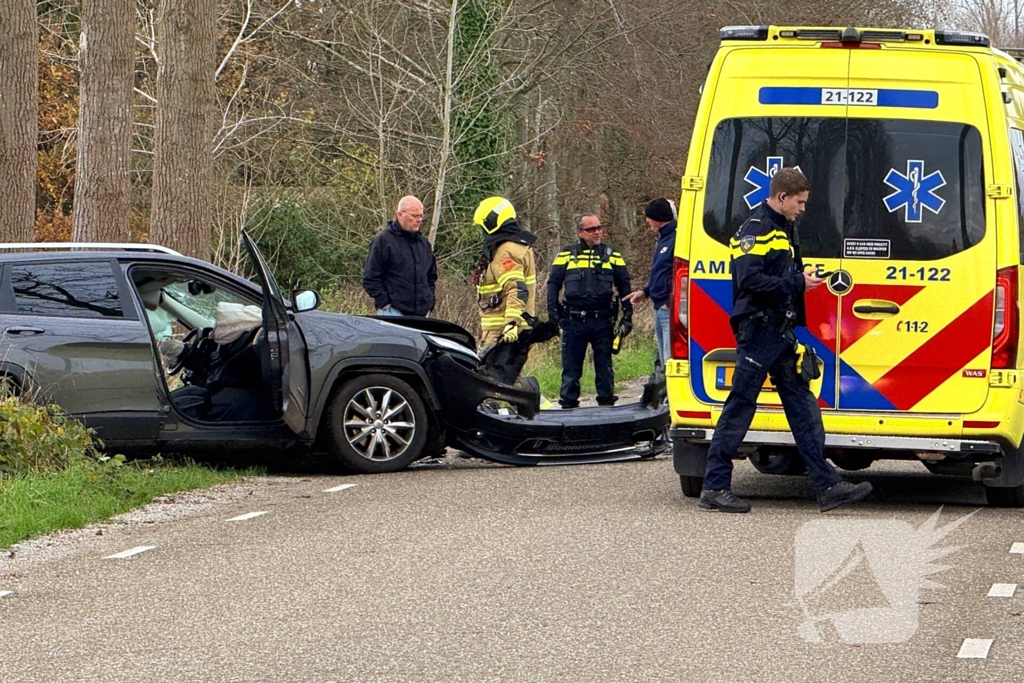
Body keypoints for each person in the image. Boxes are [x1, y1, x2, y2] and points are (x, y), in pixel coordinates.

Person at [697, 168, 872, 513]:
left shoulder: (782, 229)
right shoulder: (756, 229)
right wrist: (797, 283)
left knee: (802, 407)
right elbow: (749, 281)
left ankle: (828, 486)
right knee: (740, 407)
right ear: (781, 198)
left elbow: (776, 276)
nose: (803, 208)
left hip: (779, 331)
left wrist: (798, 281)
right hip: (760, 331)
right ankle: (714, 487)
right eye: (800, 202)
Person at [547, 213, 632, 408]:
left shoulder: (613, 254)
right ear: (579, 232)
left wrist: (627, 316)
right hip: (574, 319)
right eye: (591, 229)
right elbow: (553, 284)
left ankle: (607, 406)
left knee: (604, 367)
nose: (597, 232)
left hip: (602, 320)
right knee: (570, 368)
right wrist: (553, 314)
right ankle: (568, 408)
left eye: (599, 228)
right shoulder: (566, 254)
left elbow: (624, 287)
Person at [472, 196, 537, 350]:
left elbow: (515, 288)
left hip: (501, 332)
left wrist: (511, 323)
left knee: (488, 374)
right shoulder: (516, 245)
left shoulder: (506, 251)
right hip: (506, 330)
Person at [623, 197, 677, 370]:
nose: (646, 221)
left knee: (670, 361)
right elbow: (660, 273)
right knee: (663, 361)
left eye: (649, 217)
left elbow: (678, 273)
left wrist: (669, 303)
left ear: (658, 218)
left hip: (668, 309)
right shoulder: (663, 239)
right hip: (659, 306)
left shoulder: (676, 239)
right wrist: (646, 292)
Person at [362, 196, 437, 317]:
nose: (419, 220)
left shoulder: (424, 244)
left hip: (423, 314)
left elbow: (431, 276)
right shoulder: (383, 241)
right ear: (400, 214)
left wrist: (430, 300)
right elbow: (370, 278)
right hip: (393, 312)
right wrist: (384, 302)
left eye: (421, 216)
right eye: (414, 216)